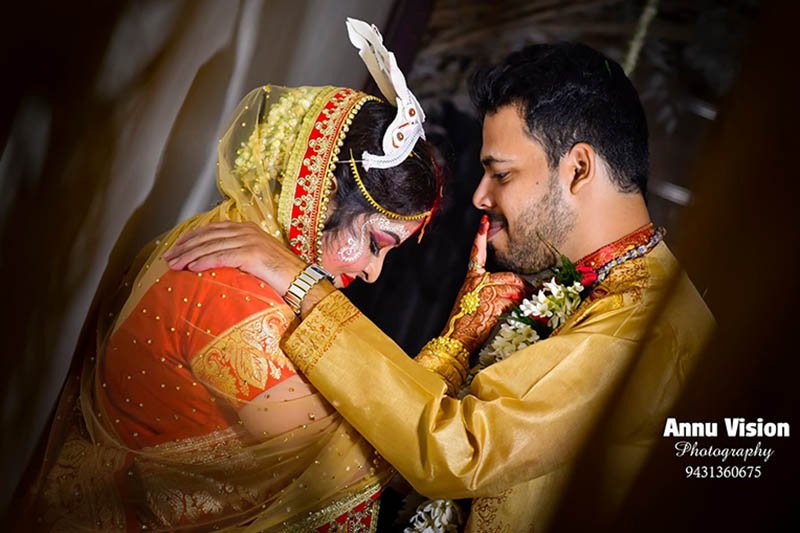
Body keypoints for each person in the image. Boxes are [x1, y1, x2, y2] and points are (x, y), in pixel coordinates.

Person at [166, 42, 715, 531]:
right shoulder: (600, 288)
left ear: (576, 170)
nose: (480, 197)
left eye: (500, 174)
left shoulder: (645, 328)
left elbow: (461, 449)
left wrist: (303, 283)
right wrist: (459, 341)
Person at [13, 19, 492, 532]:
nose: (373, 272)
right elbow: (357, 468)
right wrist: (457, 344)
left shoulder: (225, 230)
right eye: (376, 243)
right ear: (322, 196)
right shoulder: (242, 305)